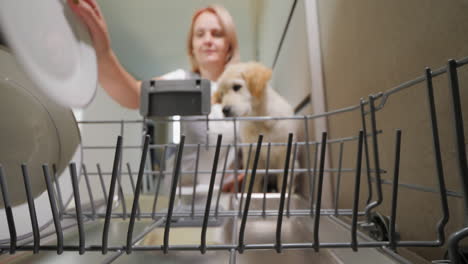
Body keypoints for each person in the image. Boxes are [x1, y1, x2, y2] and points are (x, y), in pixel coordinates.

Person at [68, 0, 242, 190]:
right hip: (182, 199)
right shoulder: (183, 81)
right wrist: (103, 52)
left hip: (226, 202)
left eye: (217, 34)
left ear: (229, 45)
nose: (208, 40)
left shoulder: (244, 89)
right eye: (200, 34)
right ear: (192, 46)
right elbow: (134, 95)